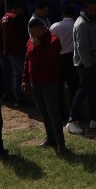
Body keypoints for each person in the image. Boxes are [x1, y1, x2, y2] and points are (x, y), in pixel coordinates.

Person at [23, 17, 66, 153]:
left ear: (43, 29)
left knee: (53, 113)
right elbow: (27, 61)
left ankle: (61, 144)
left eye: (35, 32)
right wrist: (24, 79)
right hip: (35, 83)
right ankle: (50, 139)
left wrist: (39, 47)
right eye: (30, 33)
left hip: (49, 83)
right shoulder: (31, 41)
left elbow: (50, 59)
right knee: (43, 113)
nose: (32, 35)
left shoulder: (53, 40)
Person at [66, 0, 96, 133]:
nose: (94, 12)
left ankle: (94, 119)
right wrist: (90, 65)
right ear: (85, 9)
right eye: (91, 10)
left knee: (91, 92)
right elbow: (82, 47)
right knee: (82, 92)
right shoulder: (82, 24)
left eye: (95, 9)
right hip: (86, 65)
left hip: (91, 63)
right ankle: (72, 120)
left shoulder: (89, 21)